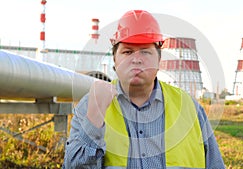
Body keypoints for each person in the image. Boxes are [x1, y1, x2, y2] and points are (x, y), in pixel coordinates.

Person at [63, 10, 225, 169]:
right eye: (127, 52)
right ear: (115, 60)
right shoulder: (89, 105)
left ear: (159, 60)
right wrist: (94, 119)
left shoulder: (189, 107)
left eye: (145, 52)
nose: (136, 60)